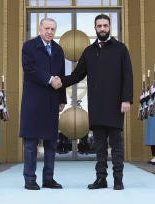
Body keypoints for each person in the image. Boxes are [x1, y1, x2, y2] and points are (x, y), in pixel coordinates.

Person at [53, 14, 133, 190]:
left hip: (115, 105)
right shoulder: (89, 51)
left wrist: (126, 99)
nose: (102, 29)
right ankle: (101, 179)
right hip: (96, 106)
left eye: (105, 25)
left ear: (110, 27)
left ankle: (118, 180)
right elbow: (77, 74)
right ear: (95, 28)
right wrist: (61, 82)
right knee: (100, 146)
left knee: (117, 146)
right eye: (99, 26)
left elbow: (128, 75)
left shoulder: (120, 49)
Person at [19, 18, 67, 190]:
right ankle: (30, 179)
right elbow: (29, 69)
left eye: (53, 29)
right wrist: (49, 79)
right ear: (40, 29)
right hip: (33, 100)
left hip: (52, 101)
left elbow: (61, 75)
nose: (50, 32)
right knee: (31, 143)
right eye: (46, 28)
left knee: (51, 143)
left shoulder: (58, 49)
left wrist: (62, 98)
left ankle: (48, 178)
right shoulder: (29, 46)